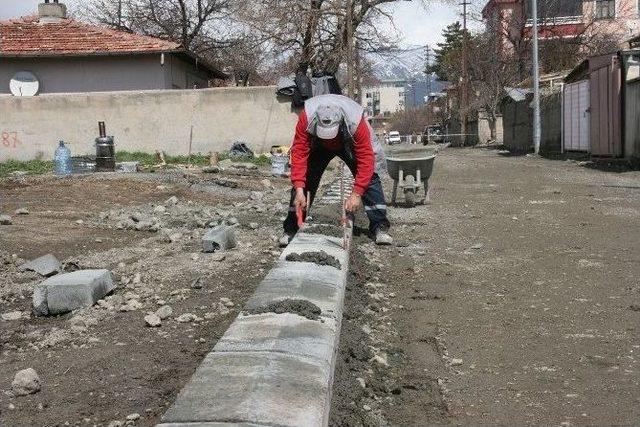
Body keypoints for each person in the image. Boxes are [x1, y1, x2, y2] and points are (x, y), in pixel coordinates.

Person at [279, 94, 393, 247]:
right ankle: (292, 228)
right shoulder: (306, 119)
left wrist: (356, 193)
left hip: (347, 141)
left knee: (370, 177)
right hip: (317, 144)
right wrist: (299, 188)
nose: (328, 139)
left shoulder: (355, 122)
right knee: (305, 180)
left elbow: (366, 159)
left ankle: (379, 227)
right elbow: (299, 152)